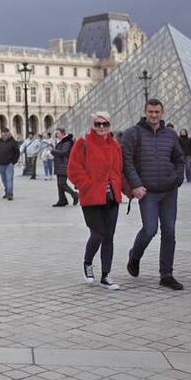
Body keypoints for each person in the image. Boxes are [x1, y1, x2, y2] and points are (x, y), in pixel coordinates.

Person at [124, 99, 187, 290]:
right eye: (150, 111)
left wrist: (177, 178)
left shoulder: (170, 134)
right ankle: (135, 255)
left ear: (162, 112)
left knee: (169, 231)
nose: (154, 115)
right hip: (148, 191)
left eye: (157, 111)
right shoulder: (133, 133)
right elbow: (127, 161)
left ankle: (166, 274)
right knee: (150, 230)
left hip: (169, 190)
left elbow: (179, 158)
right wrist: (136, 185)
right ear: (144, 111)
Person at [68, 111, 123, 290]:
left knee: (109, 237)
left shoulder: (115, 144)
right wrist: (87, 185)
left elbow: (118, 169)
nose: (101, 127)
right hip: (92, 197)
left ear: (110, 125)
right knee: (98, 234)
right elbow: (73, 169)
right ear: (93, 125)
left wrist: (125, 189)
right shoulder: (82, 143)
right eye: (97, 124)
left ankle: (106, 275)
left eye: (104, 124)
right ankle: (87, 262)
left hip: (111, 197)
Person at [51, 129, 78, 207]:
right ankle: (62, 200)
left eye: (58, 133)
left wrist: (53, 151)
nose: (56, 135)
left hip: (64, 165)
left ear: (63, 133)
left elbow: (64, 152)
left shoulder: (66, 141)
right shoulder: (61, 141)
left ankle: (74, 195)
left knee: (62, 183)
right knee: (59, 184)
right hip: (60, 164)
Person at [0, 128, 20, 200]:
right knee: (4, 179)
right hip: (0, 164)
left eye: (6, 133)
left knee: (9, 178)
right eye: (3, 134)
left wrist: (13, 162)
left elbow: (17, 153)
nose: (5, 135)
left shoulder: (13, 142)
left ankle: (10, 193)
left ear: (8, 134)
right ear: (1, 134)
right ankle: (6, 191)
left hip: (9, 164)